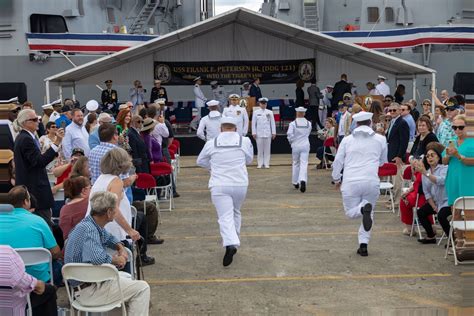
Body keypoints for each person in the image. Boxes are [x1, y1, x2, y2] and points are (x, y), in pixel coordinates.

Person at [65, 191, 151, 315]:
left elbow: (108, 238)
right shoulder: (90, 230)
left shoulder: (89, 224)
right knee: (142, 288)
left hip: (83, 287)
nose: (117, 211)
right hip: (89, 291)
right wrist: (117, 260)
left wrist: (120, 247)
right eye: (116, 209)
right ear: (109, 212)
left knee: (126, 279)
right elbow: (97, 257)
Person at [196, 116, 253, 266]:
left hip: (220, 183)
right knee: (236, 212)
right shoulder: (244, 141)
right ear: (235, 128)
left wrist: (213, 167)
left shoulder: (211, 143)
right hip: (240, 183)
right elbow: (249, 160)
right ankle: (234, 240)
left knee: (225, 216)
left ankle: (230, 243)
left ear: (221, 128)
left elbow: (200, 161)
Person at [332, 112, 388, 256]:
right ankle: (363, 244)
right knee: (370, 212)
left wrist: (336, 178)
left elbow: (338, 161)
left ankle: (363, 210)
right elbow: (383, 162)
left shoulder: (347, 140)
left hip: (351, 181)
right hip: (371, 180)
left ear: (356, 124)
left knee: (351, 213)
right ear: (370, 122)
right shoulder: (381, 139)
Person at [86, 148, 154, 265]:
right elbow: (114, 209)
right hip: (114, 232)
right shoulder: (116, 181)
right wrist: (130, 230)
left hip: (99, 230)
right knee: (123, 266)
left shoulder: (100, 179)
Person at [0, 186, 62, 283]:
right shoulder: (38, 221)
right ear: (25, 202)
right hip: (38, 279)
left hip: (5, 277)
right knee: (58, 266)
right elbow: (55, 252)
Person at [13, 109, 64, 225]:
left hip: (34, 191)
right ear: (25, 122)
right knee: (44, 226)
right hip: (36, 193)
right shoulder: (25, 139)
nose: (38, 122)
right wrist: (56, 143)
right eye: (35, 119)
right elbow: (39, 161)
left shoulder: (26, 137)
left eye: (39, 119)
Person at [0, 245, 58, 316]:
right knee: (49, 290)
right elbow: (56, 252)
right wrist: (37, 284)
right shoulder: (6, 252)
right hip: (14, 306)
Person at [443, 115, 474, 228]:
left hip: (469, 182)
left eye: (460, 127)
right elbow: (444, 161)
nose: (457, 130)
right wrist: (448, 154)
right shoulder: (452, 142)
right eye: (454, 127)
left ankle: (469, 241)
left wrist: (459, 156)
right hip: (453, 180)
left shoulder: (472, 142)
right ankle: (458, 240)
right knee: (455, 213)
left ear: (467, 127)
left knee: (470, 215)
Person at [414, 146, 449, 243]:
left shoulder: (444, 168)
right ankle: (431, 236)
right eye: (428, 156)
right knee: (421, 212)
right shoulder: (426, 172)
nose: (430, 158)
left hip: (447, 201)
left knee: (441, 216)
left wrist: (425, 173)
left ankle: (453, 240)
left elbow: (440, 181)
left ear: (438, 157)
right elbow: (427, 192)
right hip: (436, 202)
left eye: (432, 155)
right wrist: (434, 207)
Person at [386, 102, 410, 205]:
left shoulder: (402, 123)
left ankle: (397, 202)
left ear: (400, 111)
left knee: (397, 181)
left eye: (394, 110)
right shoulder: (392, 122)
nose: (392, 112)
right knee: (393, 180)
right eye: (390, 110)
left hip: (397, 156)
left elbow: (404, 141)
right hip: (391, 154)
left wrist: (399, 156)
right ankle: (394, 199)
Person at [287, 107, 312, 193]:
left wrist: (292, 142)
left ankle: (295, 182)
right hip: (305, 144)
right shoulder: (309, 123)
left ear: (297, 113)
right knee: (304, 163)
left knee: (296, 163)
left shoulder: (293, 124)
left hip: (296, 145)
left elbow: (289, 135)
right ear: (304, 114)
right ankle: (303, 180)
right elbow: (308, 133)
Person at [252, 97, 276, 169]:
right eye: (262, 104)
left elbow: (272, 123)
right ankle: (260, 163)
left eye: (265, 104)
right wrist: (254, 132)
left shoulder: (270, 112)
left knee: (267, 150)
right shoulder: (256, 112)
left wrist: (273, 132)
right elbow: (253, 123)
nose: (263, 105)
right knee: (259, 150)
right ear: (259, 104)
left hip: (267, 133)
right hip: (259, 133)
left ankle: (266, 163)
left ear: (266, 104)